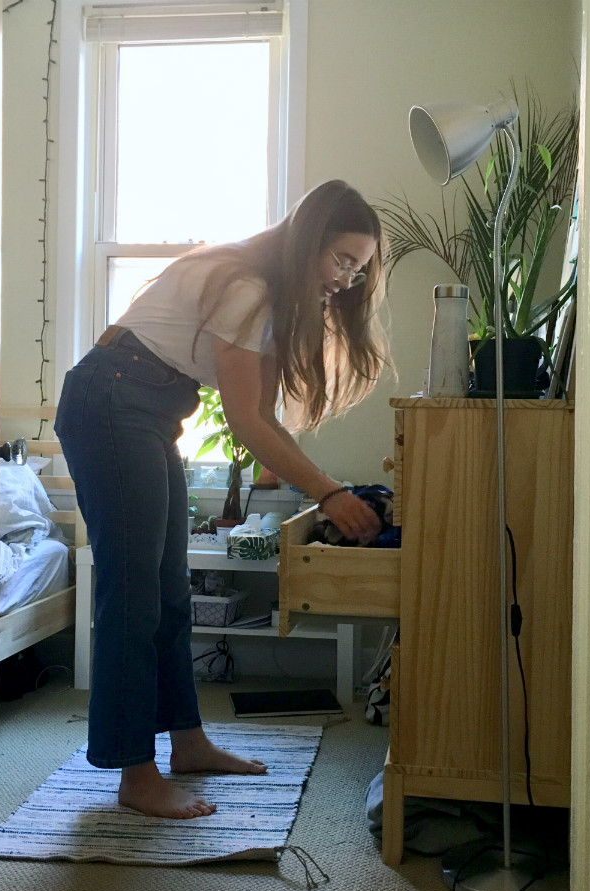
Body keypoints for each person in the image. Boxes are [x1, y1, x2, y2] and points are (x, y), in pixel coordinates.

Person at [53, 180, 392, 818]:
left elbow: (260, 418)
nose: (348, 281)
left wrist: (310, 491)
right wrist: (330, 494)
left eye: (359, 269)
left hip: (147, 410)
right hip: (111, 401)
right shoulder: (248, 286)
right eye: (343, 261)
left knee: (170, 589)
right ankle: (134, 773)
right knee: (132, 592)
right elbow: (247, 423)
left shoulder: (268, 297)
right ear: (307, 242)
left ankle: (187, 741)